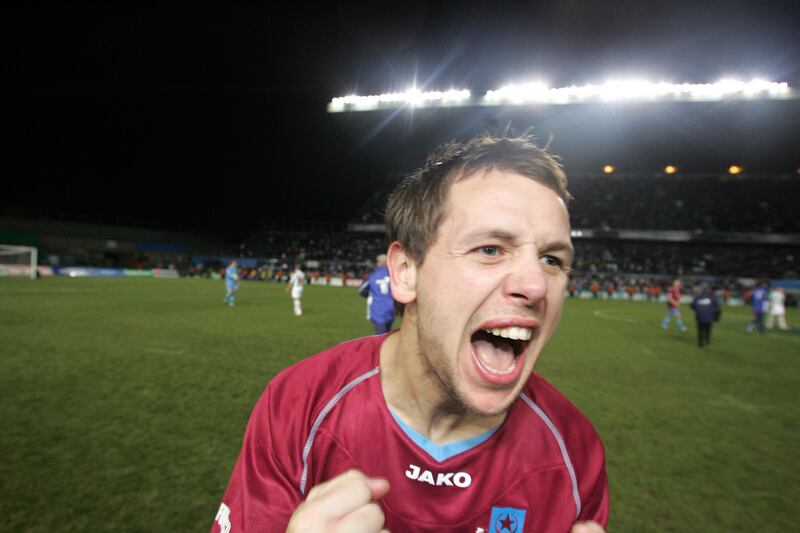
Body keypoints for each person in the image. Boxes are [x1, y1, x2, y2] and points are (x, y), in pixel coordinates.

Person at [212, 133, 608, 533]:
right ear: (405, 272)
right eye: (490, 249)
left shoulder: (574, 451)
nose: (536, 284)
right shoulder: (300, 404)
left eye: (551, 259)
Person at [358, 253, 396, 334]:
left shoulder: (373, 275)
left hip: (378, 310)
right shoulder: (394, 274)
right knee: (388, 335)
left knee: (380, 339)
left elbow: (362, 290)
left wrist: (370, 294)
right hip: (392, 309)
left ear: (378, 262)